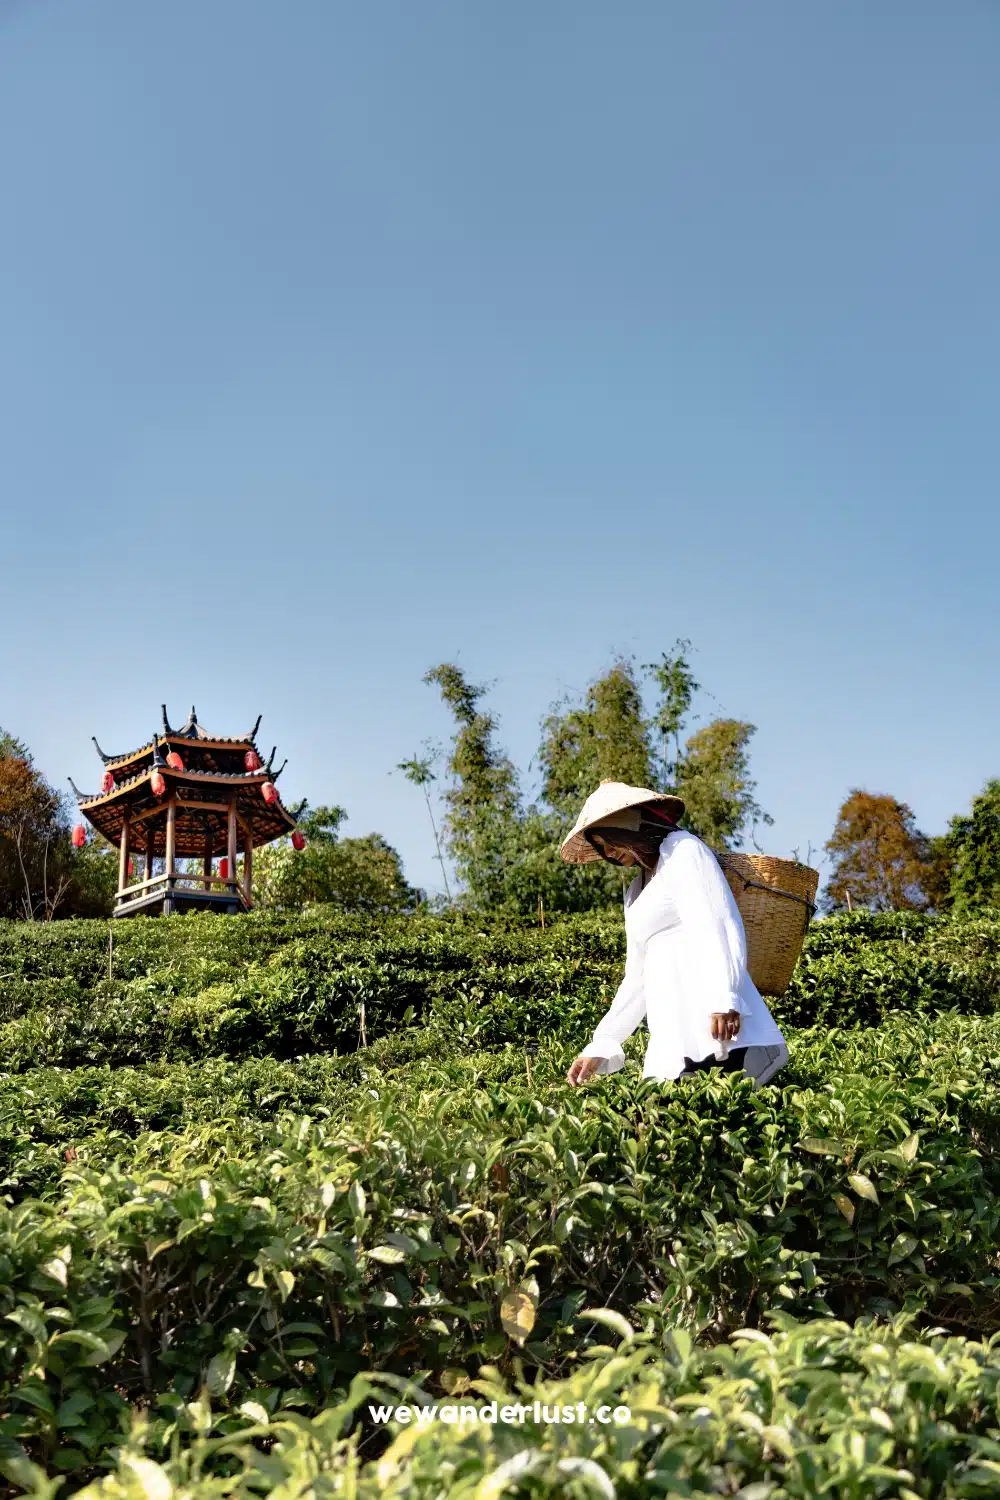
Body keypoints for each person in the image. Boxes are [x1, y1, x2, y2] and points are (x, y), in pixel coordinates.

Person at [560, 781, 788, 1088]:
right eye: (602, 849)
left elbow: (717, 922)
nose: (609, 853)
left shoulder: (683, 850)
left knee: (721, 1116)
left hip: (712, 1018)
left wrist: (725, 996)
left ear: (629, 827)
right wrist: (602, 1044)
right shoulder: (635, 891)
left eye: (610, 841)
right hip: (672, 1025)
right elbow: (637, 975)